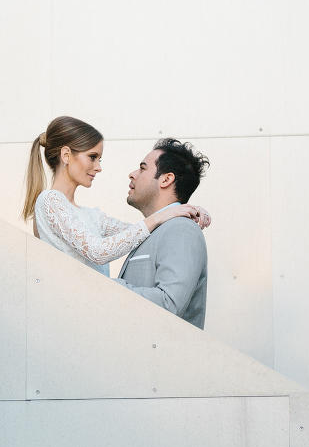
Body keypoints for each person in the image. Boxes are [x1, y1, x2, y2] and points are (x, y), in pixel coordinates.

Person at [22, 116, 210, 276]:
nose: (99, 167)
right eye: (92, 157)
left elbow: (139, 232)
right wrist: (161, 216)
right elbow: (98, 252)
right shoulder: (50, 201)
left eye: (99, 159)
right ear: (66, 155)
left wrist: (185, 210)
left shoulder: (93, 216)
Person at [116, 139, 210, 329]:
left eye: (142, 169)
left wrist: (105, 287)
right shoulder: (152, 229)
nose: (132, 174)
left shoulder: (182, 229)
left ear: (166, 179)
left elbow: (169, 304)